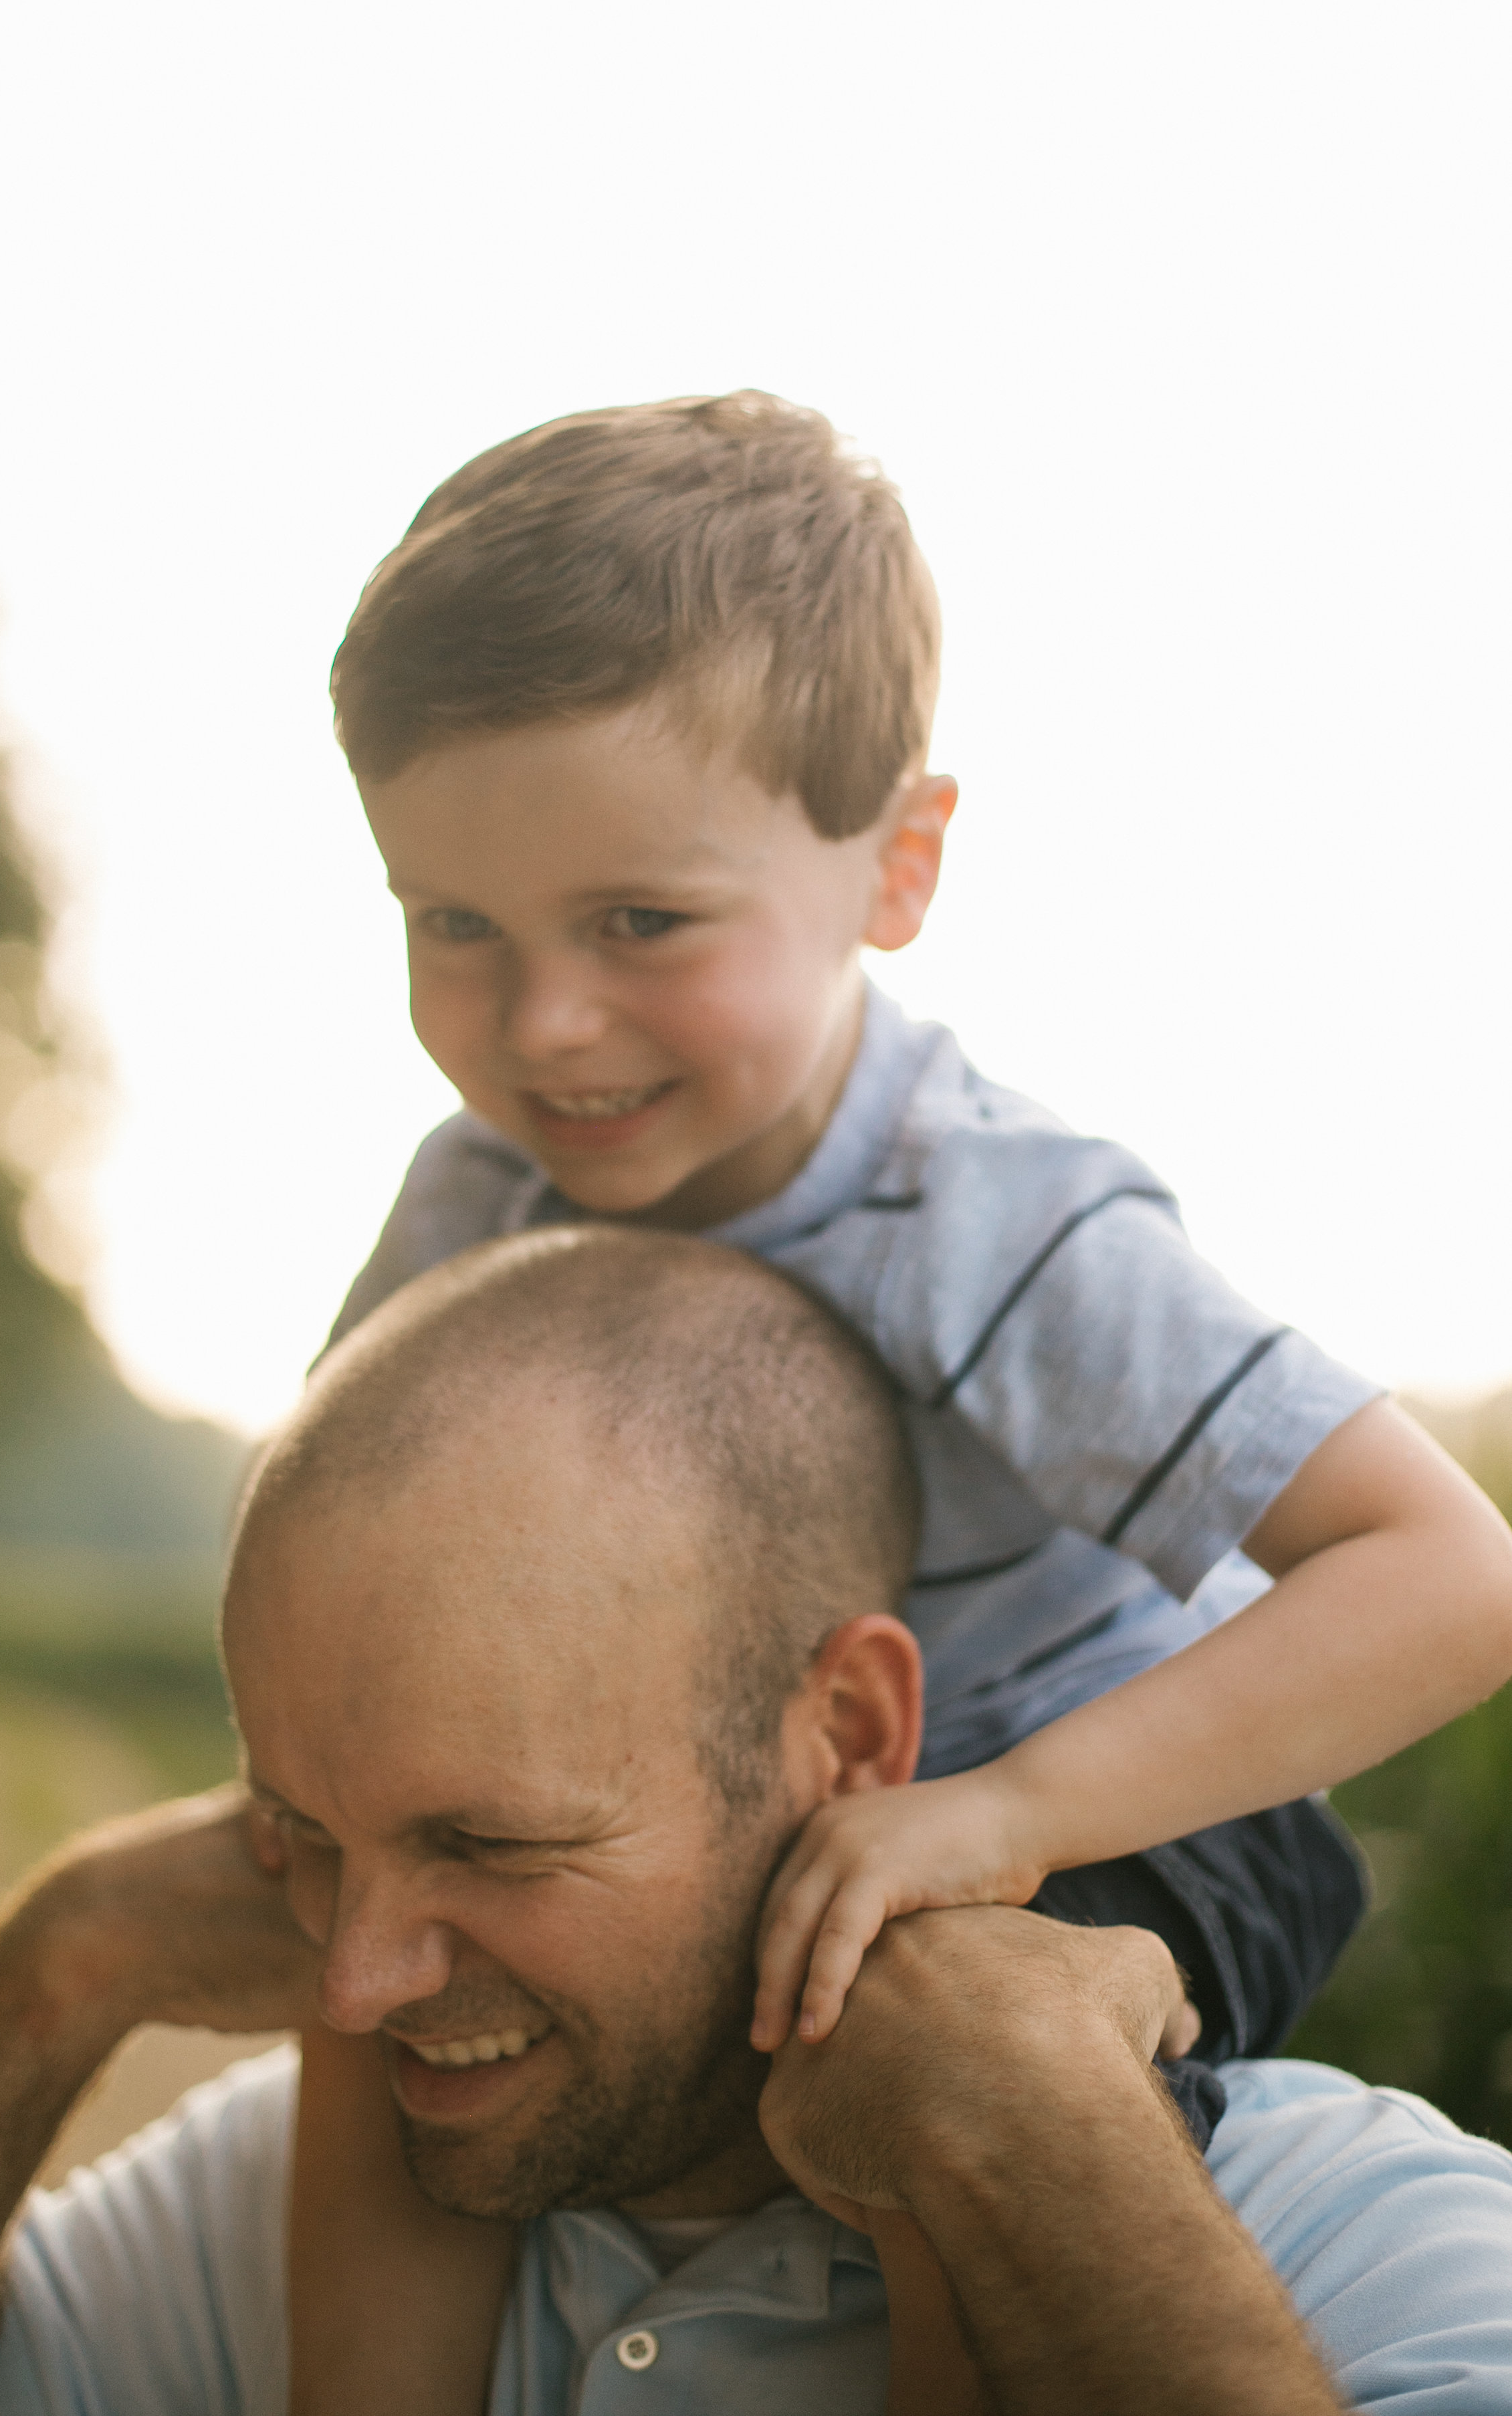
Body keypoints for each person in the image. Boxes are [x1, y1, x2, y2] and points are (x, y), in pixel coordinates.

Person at [322, 388, 1512, 2065]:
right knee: (364, 2008)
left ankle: (1072, 2147)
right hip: (768, 1822)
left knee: (937, 2046)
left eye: (640, 921)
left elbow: (1451, 1578)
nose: (544, 1026)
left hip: (1133, 1809)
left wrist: (1011, 1813)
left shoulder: (984, 1220)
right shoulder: (474, 1199)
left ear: (894, 864)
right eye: (454, 922)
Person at [0, 1231, 1508, 2416]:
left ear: (849, 1737)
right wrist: (58, 1967)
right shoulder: (290, 2206)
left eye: (487, 1845)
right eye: (305, 1831)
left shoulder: (1333, 2237)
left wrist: (1024, 2134)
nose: (351, 1986)